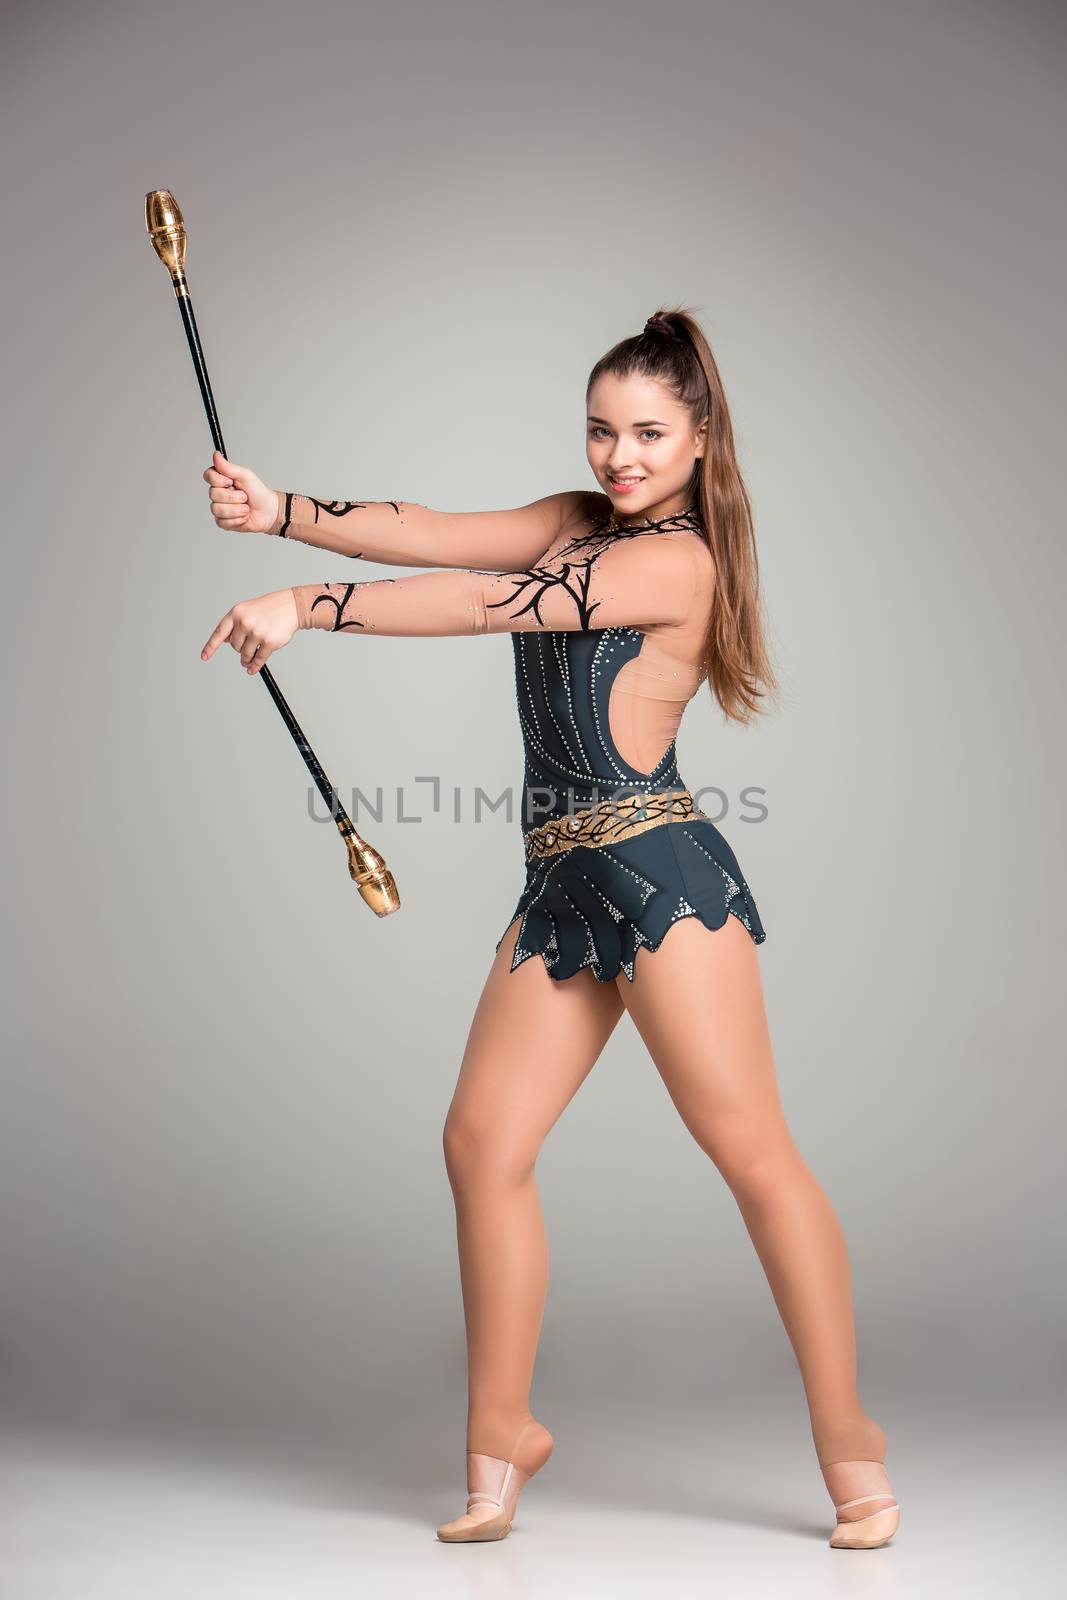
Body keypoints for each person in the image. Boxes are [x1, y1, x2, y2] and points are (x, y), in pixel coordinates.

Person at [200, 307, 900, 1550]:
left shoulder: (675, 560)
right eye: (599, 429)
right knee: (481, 1142)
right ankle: (500, 1436)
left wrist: (306, 603)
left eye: (645, 433)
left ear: (696, 442)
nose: (617, 455)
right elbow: (432, 531)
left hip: (657, 876)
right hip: (560, 888)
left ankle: (851, 1443)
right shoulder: (584, 517)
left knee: (752, 1158)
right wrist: (282, 507)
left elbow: (485, 601)